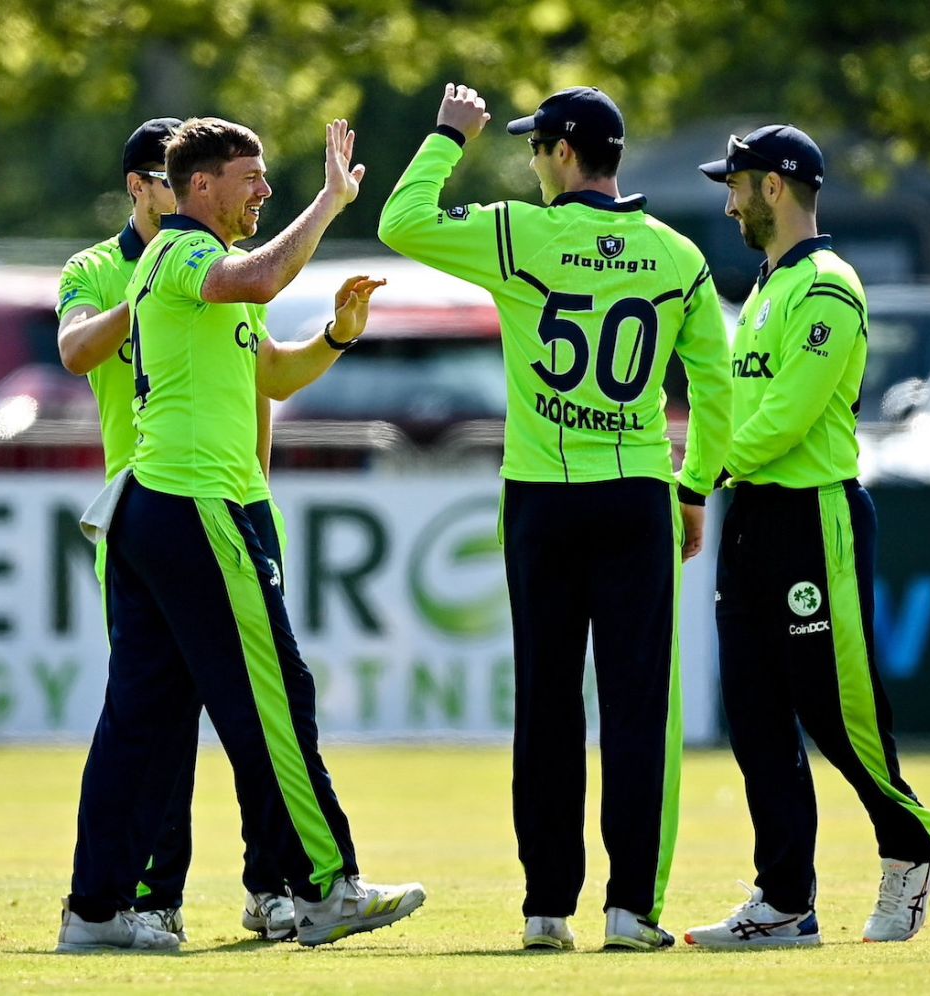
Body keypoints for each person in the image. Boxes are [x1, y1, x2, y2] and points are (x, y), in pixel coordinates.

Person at [57, 115, 424, 953]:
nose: (264, 190)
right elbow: (257, 281)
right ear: (200, 188)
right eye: (250, 177)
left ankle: (98, 908)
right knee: (277, 698)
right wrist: (332, 203)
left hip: (162, 504)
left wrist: (334, 334)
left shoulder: (184, 265)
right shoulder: (188, 252)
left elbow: (267, 365)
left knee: (143, 718)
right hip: (196, 505)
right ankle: (325, 889)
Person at [378, 84, 732, 951]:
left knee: (546, 704)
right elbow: (714, 389)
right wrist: (694, 490)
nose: (533, 160)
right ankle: (630, 909)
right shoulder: (677, 255)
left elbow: (400, 221)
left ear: (565, 154)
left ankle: (545, 910)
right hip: (636, 494)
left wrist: (446, 136)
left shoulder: (519, 234)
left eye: (539, 146)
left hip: (540, 495)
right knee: (637, 704)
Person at [682, 125, 930, 948]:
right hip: (752, 521)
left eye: (736, 185)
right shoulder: (764, 288)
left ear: (774, 187)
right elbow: (731, 413)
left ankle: (914, 844)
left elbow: (787, 419)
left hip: (814, 516)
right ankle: (785, 902)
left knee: (838, 712)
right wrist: (698, 469)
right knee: (755, 717)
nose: (727, 202)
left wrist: (695, 479)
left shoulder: (828, 286)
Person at [55, 118, 295, 943]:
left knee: (248, 704)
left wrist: (258, 490)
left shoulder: (214, 263)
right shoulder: (103, 267)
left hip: (228, 502)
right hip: (149, 504)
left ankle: (271, 885)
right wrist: (148, 296)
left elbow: (258, 373)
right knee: (161, 715)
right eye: (164, 177)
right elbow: (75, 352)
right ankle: (152, 898)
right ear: (140, 187)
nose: (182, 190)